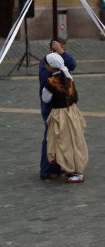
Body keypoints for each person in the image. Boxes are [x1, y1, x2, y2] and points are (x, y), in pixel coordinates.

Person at [41, 52, 88, 183]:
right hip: (72, 112)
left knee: (63, 142)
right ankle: (73, 168)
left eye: (46, 64)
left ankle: (75, 172)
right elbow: (75, 97)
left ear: (51, 66)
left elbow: (45, 98)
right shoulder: (69, 77)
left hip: (60, 115)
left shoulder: (51, 82)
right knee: (75, 141)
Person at [38, 38, 76, 180]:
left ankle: (57, 165)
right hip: (51, 108)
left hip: (62, 108)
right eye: (62, 49)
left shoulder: (61, 65)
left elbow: (73, 65)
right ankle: (46, 169)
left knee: (62, 137)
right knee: (50, 137)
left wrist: (62, 54)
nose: (64, 52)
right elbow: (46, 94)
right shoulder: (46, 64)